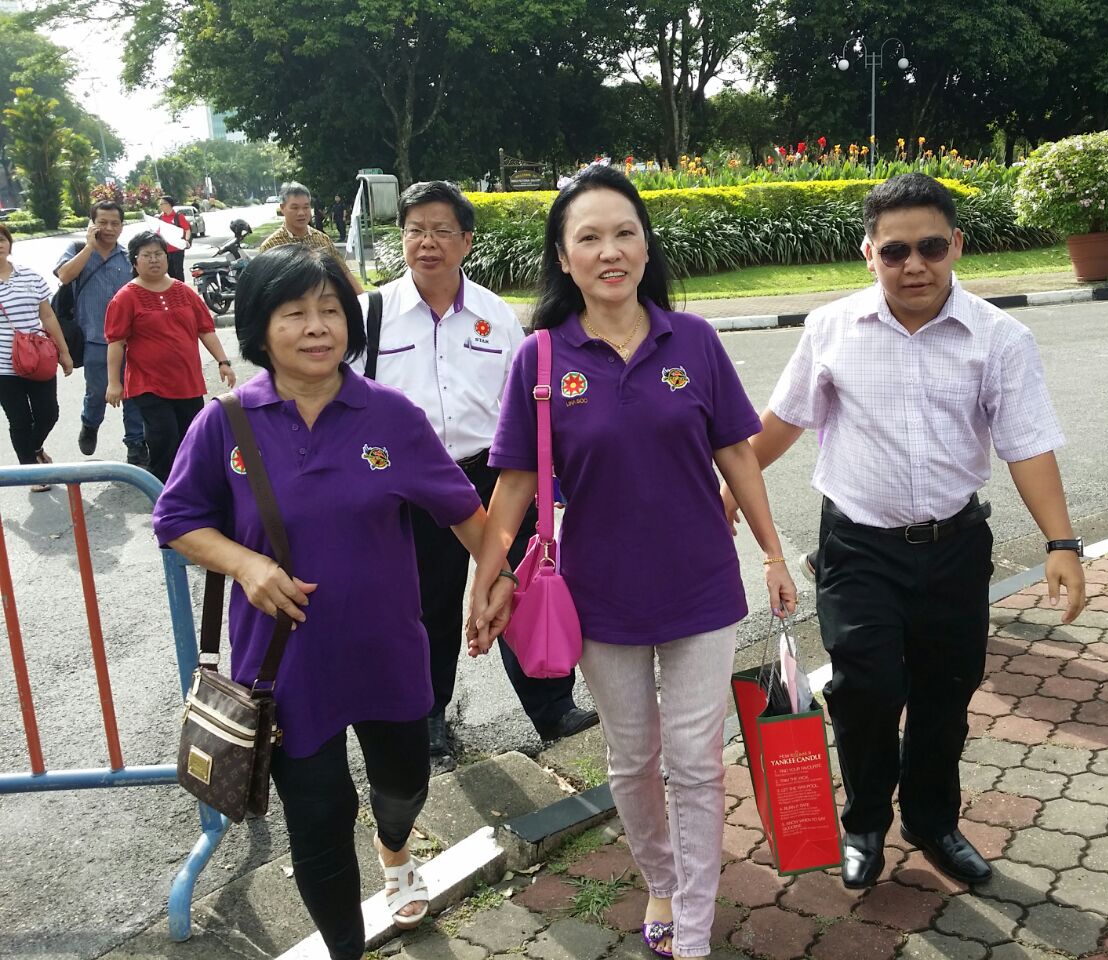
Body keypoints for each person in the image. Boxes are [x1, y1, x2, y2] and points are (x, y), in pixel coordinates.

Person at [468, 165, 797, 960]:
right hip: (599, 596)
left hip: (700, 587)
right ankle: (659, 874)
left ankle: (691, 925)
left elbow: (739, 457)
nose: (610, 251)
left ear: (647, 247)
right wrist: (486, 581)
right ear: (563, 253)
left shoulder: (696, 341)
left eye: (625, 233)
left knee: (693, 759)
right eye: (590, 237)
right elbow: (513, 483)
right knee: (633, 757)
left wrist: (773, 551)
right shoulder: (541, 359)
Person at [723, 173, 1087, 890]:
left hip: (954, 548)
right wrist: (728, 489)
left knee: (946, 692)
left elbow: (1027, 444)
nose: (913, 265)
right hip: (859, 548)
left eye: (929, 247)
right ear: (870, 254)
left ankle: (932, 820)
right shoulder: (832, 329)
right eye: (895, 252)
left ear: (955, 245)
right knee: (865, 690)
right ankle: (864, 825)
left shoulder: (999, 338)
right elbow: (781, 423)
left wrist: (1062, 542)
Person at [152, 245, 515, 959]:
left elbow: (466, 514)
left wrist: (494, 578)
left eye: (330, 311)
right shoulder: (225, 423)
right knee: (319, 818)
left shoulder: (391, 416)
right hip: (285, 671)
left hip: (388, 654)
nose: (317, 327)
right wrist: (246, 564)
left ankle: (394, 847)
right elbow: (177, 520)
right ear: (261, 329)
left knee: (403, 785)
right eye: (295, 313)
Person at [351, 181, 597, 772]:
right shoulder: (372, 315)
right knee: (423, 605)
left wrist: (549, 479)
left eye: (440, 230)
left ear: (465, 240)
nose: (426, 242)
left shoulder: (496, 316)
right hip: (413, 486)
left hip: (495, 474)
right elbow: (346, 401)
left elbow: (530, 406)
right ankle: (429, 721)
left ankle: (553, 706)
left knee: (524, 586)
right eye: (414, 230)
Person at [104, 231, 236, 481]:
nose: (153, 260)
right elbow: (116, 342)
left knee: (192, 435)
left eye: (158, 254)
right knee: (164, 435)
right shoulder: (126, 297)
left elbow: (205, 330)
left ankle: (192, 487)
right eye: (146, 255)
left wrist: (223, 361)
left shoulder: (184, 292)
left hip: (187, 381)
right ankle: (163, 489)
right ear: (135, 261)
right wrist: (114, 382)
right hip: (148, 383)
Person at [55, 200, 148, 466]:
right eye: (102, 222)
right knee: (98, 391)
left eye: (115, 223)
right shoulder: (77, 250)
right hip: (95, 338)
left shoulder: (128, 256)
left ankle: (135, 444)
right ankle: (90, 423)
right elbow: (64, 276)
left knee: (133, 392)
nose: (109, 228)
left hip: (132, 339)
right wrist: (89, 246)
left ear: (122, 226)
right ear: (92, 224)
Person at [0, 221, 74, 490]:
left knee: (48, 413)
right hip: (4, 368)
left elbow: (47, 315)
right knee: (19, 420)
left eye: (2, 238)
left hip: (38, 358)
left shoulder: (30, 276)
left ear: (9, 243)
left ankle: (36, 448)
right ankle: (30, 473)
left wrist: (64, 353)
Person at [260, 182, 361, 291]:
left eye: (306, 207)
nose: (301, 213)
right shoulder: (271, 246)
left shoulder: (323, 240)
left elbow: (344, 272)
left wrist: (364, 302)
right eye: (295, 208)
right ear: (282, 208)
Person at [157, 195, 192, 281]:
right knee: (169, 271)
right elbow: (158, 232)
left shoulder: (178, 216)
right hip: (166, 250)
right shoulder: (161, 218)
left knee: (178, 271)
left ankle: (181, 290)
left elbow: (187, 230)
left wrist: (186, 240)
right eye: (160, 204)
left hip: (178, 249)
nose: (161, 206)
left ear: (168, 204)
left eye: (162, 204)